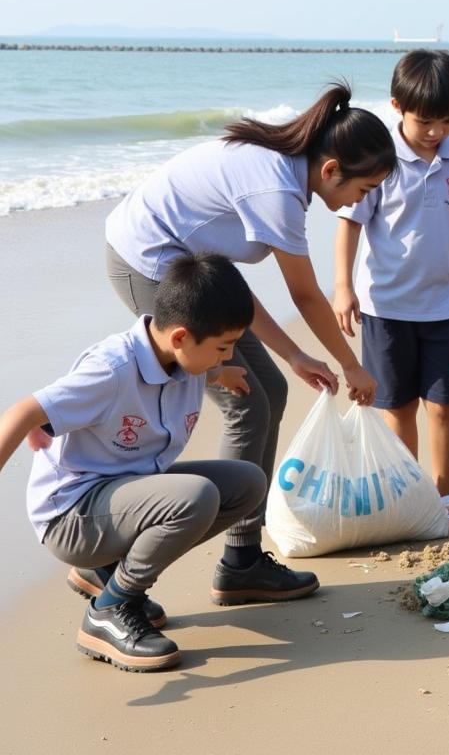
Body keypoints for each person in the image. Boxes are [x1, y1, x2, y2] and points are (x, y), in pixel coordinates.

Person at [104, 83, 396, 602]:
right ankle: (120, 565)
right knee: (246, 406)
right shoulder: (278, 191)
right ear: (331, 169)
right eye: (365, 188)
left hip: (189, 268)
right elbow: (307, 295)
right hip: (146, 265)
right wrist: (352, 366)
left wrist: (297, 355)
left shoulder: (285, 171)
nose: (362, 200)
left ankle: (242, 560)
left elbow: (229, 286)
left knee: (271, 391)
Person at [0, 254, 269, 672]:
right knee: (194, 497)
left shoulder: (184, 359)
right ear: (180, 336)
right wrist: (39, 422)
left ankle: (105, 571)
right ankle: (110, 608)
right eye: (223, 348)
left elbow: (196, 369)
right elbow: (19, 414)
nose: (228, 356)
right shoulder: (111, 370)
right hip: (71, 516)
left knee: (247, 483)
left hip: (122, 499)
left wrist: (221, 375)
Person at [333, 51, 449, 533]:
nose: (437, 131)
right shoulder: (380, 160)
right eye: (425, 121)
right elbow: (349, 225)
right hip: (386, 307)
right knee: (397, 408)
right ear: (397, 107)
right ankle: (408, 495)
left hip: (447, 307)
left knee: (444, 405)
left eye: (448, 120)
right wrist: (342, 287)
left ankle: (442, 493)